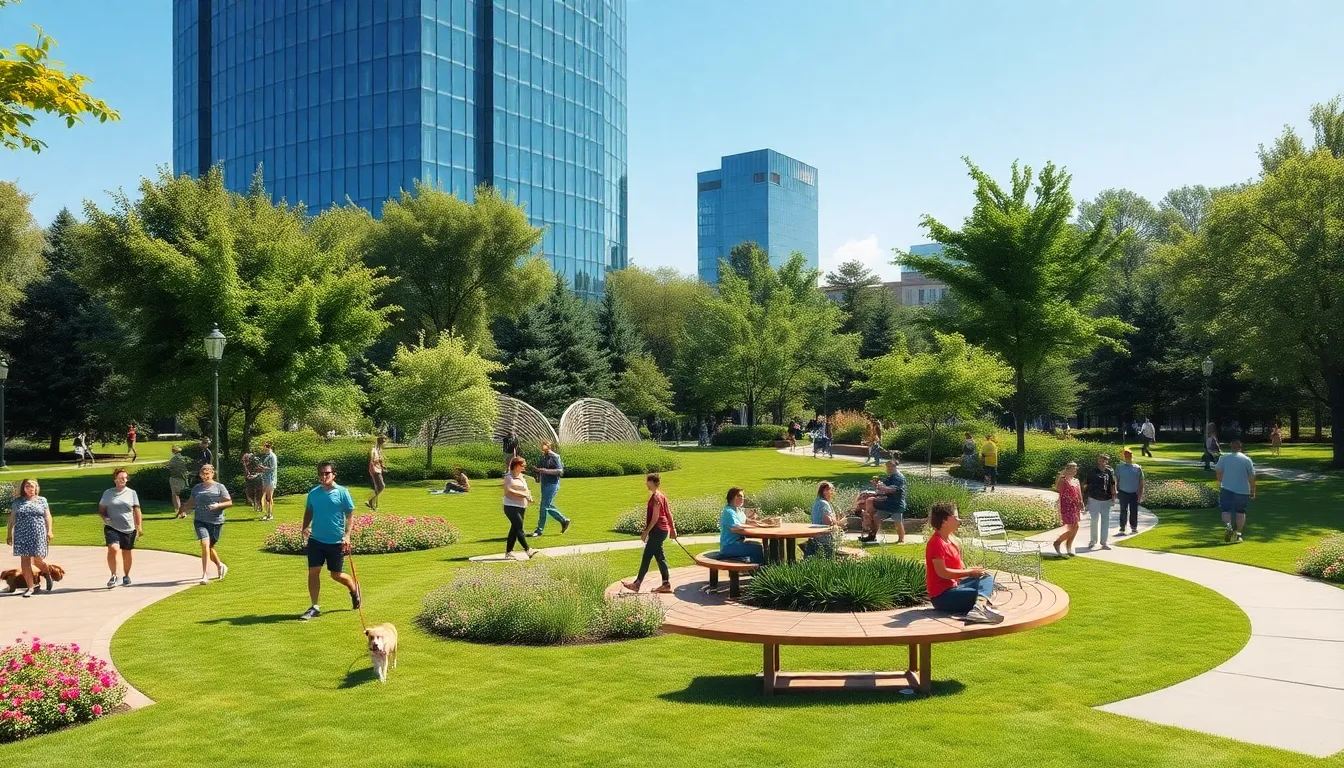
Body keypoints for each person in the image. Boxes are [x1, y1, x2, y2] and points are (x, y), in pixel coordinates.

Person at [298, 461, 362, 621]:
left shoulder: (342, 492)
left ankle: (354, 589)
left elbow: (350, 514)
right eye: (320, 473)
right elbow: (309, 510)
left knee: (336, 575)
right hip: (316, 540)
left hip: (335, 542)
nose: (323, 476)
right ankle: (314, 607)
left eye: (326, 473)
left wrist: (347, 535)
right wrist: (304, 527)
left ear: (334, 474)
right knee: (313, 571)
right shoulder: (314, 493)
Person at [925, 501, 1002, 625]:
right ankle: (981, 607)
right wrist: (970, 572)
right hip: (942, 597)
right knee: (981, 593)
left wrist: (972, 572)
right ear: (944, 521)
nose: (959, 520)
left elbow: (959, 568)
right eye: (956, 517)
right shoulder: (936, 543)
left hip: (956, 587)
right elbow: (942, 573)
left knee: (986, 577)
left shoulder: (951, 539)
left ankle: (979, 607)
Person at [622, 473, 678, 593]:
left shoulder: (656, 497)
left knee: (647, 557)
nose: (646, 483)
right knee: (659, 557)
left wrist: (646, 532)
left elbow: (655, 518)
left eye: (647, 481)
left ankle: (637, 584)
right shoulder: (661, 496)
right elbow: (668, 513)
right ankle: (665, 584)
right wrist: (672, 529)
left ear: (653, 482)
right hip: (662, 530)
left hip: (657, 530)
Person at [6, 478, 54, 597]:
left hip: (38, 533)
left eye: (32, 486)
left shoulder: (42, 500)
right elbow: (12, 518)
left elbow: (47, 516)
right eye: (27, 486)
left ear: (36, 488)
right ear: (23, 488)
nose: (30, 488)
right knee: (25, 560)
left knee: (37, 559)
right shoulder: (18, 502)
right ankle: (30, 587)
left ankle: (47, 573)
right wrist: (9, 533)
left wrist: (50, 531)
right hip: (21, 534)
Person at [98, 468, 143, 588]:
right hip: (112, 526)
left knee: (126, 552)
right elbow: (101, 510)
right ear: (115, 480)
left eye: (125, 478)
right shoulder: (108, 493)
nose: (123, 480)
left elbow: (137, 510)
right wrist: (105, 517)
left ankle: (126, 575)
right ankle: (113, 575)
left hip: (129, 527)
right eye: (120, 478)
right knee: (113, 549)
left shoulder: (132, 493)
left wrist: (139, 526)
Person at [190, 464, 232, 585]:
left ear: (213, 474)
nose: (205, 476)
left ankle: (220, 565)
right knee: (204, 544)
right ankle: (205, 575)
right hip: (200, 520)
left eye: (207, 474)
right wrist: (183, 511)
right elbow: (191, 503)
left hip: (215, 521)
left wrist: (217, 505)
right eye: (203, 474)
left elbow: (229, 502)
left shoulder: (219, 487)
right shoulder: (197, 488)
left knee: (209, 547)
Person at [1216, 440, 1256, 544]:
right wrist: (1253, 490)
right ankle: (1238, 534)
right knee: (1240, 512)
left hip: (1226, 488)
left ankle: (1228, 526)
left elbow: (1219, 472)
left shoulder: (1223, 458)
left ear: (1231, 447)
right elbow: (1252, 476)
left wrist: (1220, 483)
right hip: (1242, 490)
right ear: (1240, 447)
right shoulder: (1247, 459)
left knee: (1226, 510)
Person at [529, 441, 571, 537]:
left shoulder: (554, 456)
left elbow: (560, 471)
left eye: (544, 445)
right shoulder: (543, 456)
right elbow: (539, 468)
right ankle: (563, 520)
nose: (542, 447)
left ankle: (539, 530)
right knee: (547, 505)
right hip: (544, 483)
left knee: (544, 506)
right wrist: (537, 472)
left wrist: (545, 471)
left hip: (552, 484)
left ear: (549, 446)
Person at [716, 486, 764, 563]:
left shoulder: (738, 510)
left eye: (743, 496)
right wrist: (755, 526)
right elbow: (736, 528)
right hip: (728, 546)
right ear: (731, 497)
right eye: (739, 496)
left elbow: (746, 521)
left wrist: (760, 522)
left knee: (757, 544)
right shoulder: (728, 511)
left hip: (738, 543)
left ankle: (753, 567)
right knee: (757, 549)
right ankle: (757, 571)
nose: (742, 498)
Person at [501, 456, 535, 559]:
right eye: (522, 465)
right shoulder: (508, 477)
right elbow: (509, 490)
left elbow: (526, 490)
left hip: (521, 506)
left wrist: (529, 497)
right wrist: (523, 495)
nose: (524, 468)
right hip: (511, 506)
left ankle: (508, 552)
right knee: (519, 528)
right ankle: (528, 550)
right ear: (516, 466)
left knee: (514, 529)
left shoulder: (522, 477)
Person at [1083, 454, 1117, 550]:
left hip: (1106, 499)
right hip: (1094, 498)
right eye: (1100, 460)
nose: (1102, 462)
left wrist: (1114, 495)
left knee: (1105, 520)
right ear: (1098, 461)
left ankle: (1104, 542)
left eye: (1104, 460)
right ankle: (1093, 541)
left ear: (1107, 462)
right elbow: (1086, 484)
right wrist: (1086, 497)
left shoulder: (1109, 472)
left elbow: (1112, 484)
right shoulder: (1092, 472)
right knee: (1094, 520)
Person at [1052, 462, 1082, 557]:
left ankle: (1069, 547)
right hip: (1066, 506)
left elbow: (1079, 492)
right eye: (1072, 468)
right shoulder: (1063, 480)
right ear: (1068, 469)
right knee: (1074, 527)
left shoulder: (1076, 481)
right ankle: (1058, 542)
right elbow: (1059, 493)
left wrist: (1081, 502)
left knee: (1075, 527)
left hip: (1075, 506)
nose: (1074, 470)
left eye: (1075, 468)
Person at [803, 481, 839, 558]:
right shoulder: (824, 503)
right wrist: (838, 522)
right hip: (824, 538)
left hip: (815, 536)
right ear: (825, 491)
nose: (833, 493)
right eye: (831, 491)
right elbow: (828, 521)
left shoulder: (816, 502)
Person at [1115, 449, 1145, 536]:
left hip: (1134, 493)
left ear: (1132, 456)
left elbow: (1141, 482)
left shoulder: (1137, 468)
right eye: (1127, 456)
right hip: (1123, 492)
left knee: (1134, 510)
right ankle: (1122, 527)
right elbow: (1116, 480)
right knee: (1123, 510)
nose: (1128, 457)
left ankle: (1134, 526)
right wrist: (1115, 491)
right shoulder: (1119, 467)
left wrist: (1140, 495)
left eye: (1130, 456)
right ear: (1124, 457)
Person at [168, 445, 191, 518]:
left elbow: (170, 467)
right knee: (182, 496)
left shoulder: (173, 459)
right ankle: (183, 511)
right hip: (184, 479)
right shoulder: (185, 459)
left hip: (175, 478)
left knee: (175, 495)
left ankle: (179, 511)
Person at [257, 441, 278, 521]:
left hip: (271, 479)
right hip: (266, 479)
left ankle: (270, 514)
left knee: (269, 497)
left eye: (264, 447)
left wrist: (263, 467)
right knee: (266, 497)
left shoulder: (272, 456)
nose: (263, 448)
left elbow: (273, 468)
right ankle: (266, 514)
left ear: (268, 447)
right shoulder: (266, 456)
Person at [367, 434, 387, 510]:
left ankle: (373, 505)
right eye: (383, 440)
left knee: (377, 487)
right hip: (375, 470)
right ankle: (370, 500)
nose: (384, 442)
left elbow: (380, 460)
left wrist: (383, 466)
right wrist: (373, 469)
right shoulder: (374, 449)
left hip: (378, 469)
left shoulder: (379, 449)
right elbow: (372, 460)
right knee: (381, 486)